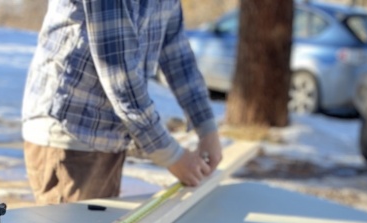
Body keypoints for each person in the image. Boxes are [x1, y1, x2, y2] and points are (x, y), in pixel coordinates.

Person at [22, 0, 223, 204]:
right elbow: (119, 72)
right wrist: (171, 155)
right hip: (70, 132)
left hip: (111, 135)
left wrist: (207, 128)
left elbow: (177, 55)